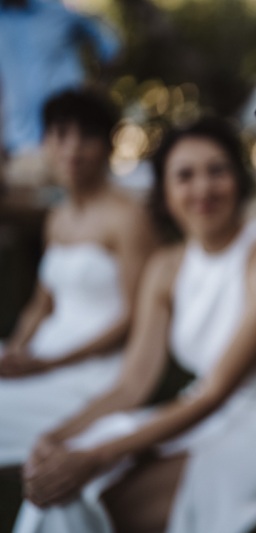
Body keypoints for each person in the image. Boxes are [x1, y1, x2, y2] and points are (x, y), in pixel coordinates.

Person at [12, 117, 256, 533]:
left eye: (217, 170)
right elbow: (132, 384)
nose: (203, 188)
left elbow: (215, 393)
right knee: (64, 482)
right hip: (197, 416)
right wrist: (57, 437)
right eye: (185, 176)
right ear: (165, 192)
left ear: (238, 178)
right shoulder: (166, 267)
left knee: (95, 501)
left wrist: (96, 457)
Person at [0, 89, 155, 468]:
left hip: (95, 369)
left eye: (86, 136)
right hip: (45, 352)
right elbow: (43, 302)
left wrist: (50, 365)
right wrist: (17, 350)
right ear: (45, 143)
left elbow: (135, 317)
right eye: (60, 134)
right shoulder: (58, 216)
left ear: (106, 145)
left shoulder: (128, 218)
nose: (72, 148)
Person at [0, 0, 119, 189]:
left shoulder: (58, 10)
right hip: (22, 148)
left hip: (73, 146)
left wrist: (95, 97)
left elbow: (110, 46)